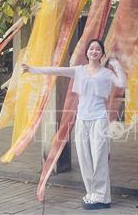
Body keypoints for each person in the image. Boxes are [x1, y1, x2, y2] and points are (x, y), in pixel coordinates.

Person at [21, 38, 126, 210]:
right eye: (91, 48)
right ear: (87, 52)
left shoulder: (106, 73)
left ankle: (102, 196)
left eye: (98, 49)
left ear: (102, 53)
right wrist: (33, 69)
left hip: (99, 119)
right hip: (82, 119)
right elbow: (57, 70)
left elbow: (121, 83)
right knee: (84, 158)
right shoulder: (79, 70)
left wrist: (115, 63)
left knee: (99, 158)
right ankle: (91, 193)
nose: (94, 51)